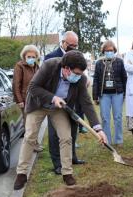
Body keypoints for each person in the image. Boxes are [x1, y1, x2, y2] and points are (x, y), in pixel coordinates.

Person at [13, 50, 107, 190]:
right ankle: (21, 173)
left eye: (81, 74)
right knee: (30, 136)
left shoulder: (80, 79)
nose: (79, 77)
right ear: (66, 68)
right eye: (76, 73)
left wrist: (98, 128)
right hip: (39, 104)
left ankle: (67, 172)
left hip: (59, 108)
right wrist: (53, 97)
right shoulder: (49, 65)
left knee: (66, 137)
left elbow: (86, 103)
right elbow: (33, 87)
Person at [44, 31, 85, 175]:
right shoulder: (51, 58)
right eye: (71, 45)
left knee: (72, 130)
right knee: (55, 134)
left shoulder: (77, 57)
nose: (74, 47)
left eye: (76, 45)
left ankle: (72, 157)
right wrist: (53, 99)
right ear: (64, 43)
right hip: (54, 103)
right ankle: (57, 163)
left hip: (71, 100)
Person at [93, 40, 127, 146]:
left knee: (118, 117)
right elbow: (96, 80)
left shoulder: (120, 62)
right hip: (104, 95)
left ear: (114, 50)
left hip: (117, 94)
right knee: (105, 118)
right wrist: (95, 96)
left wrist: (124, 93)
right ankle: (106, 141)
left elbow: (124, 78)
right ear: (103, 51)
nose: (109, 52)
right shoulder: (98, 63)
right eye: (107, 50)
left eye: (111, 50)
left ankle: (119, 140)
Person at [12, 44, 43, 152]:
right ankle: (31, 146)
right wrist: (19, 100)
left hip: (36, 99)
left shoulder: (37, 67)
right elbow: (16, 84)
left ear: (36, 57)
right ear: (24, 56)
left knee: (35, 123)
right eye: (29, 57)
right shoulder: (20, 66)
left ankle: (35, 143)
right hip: (25, 99)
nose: (31, 59)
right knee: (29, 124)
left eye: (33, 57)